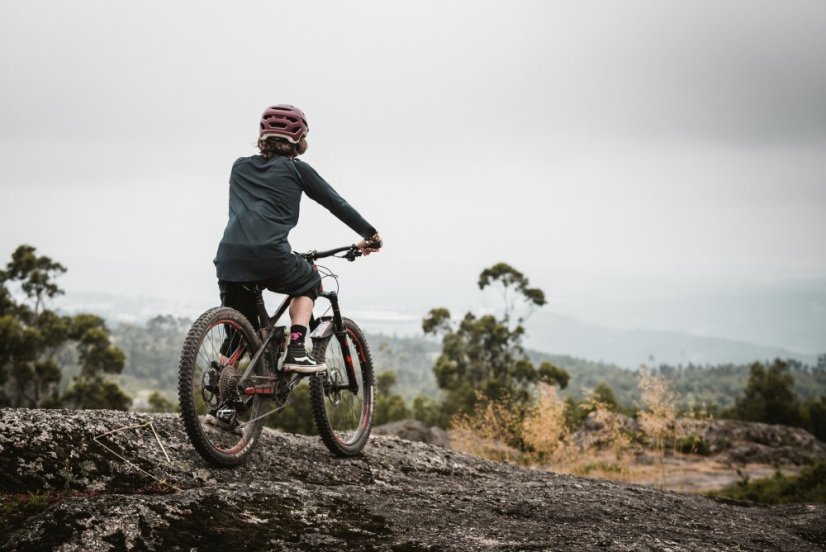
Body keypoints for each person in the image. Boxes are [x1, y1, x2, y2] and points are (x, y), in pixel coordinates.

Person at [213, 104, 381, 373]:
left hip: (229, 258)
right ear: (300, 139)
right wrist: (370, 235)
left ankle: (221, 392)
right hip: (270, 255)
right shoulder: (297, 170)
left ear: (262, 136)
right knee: (310, 280)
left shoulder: (239, 167)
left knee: (238, 337)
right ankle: (297, 349)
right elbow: (336, 204)